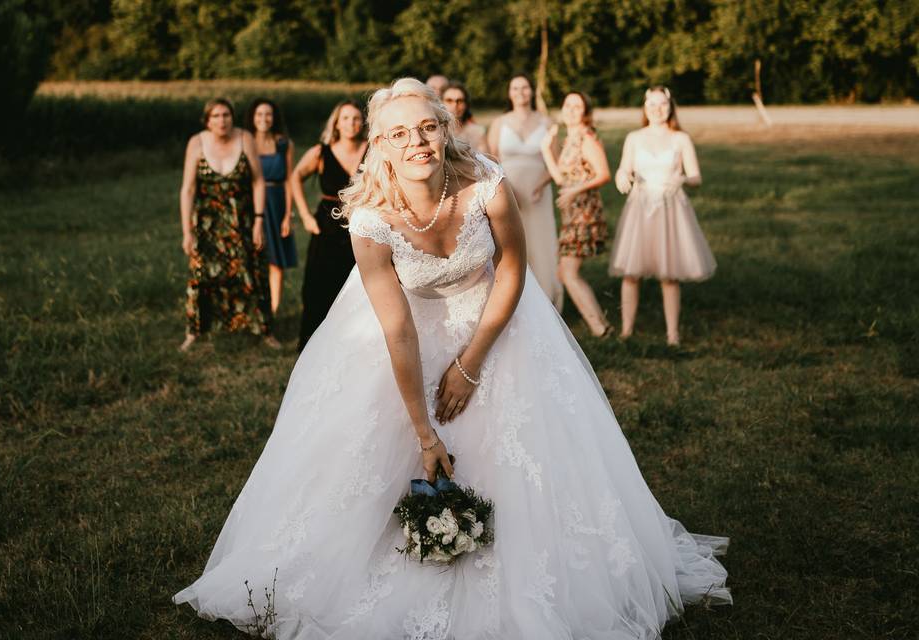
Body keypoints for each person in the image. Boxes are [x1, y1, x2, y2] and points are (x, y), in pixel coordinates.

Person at [174, 78, 730, 639]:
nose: (416, 141)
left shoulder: (485, 181)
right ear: (380, 146)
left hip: (496, 320)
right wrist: (423, 431)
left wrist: (471, 362)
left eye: (427, 127)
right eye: (398, 133)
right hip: (407, 335)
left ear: (445, 129)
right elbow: (398, 331)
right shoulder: (369, 220)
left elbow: (514, 266)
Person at [609, 86, 716, 345]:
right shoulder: (634, 137)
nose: (657, 110)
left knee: (669, 275)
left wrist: (681, 179)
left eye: (662, 105)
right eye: (652, 105)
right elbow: (623, 169)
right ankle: (626, 331)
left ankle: (672, 335)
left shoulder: (680, 139)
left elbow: (696, 176)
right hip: (641, 207)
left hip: (670, 207)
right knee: (631, 272)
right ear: (645, 108)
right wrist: (622, 177)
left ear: (670, 107)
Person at [178, 97, 278, 352]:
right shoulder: (196, 143)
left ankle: (264, 330)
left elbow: (257, 182)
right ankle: (194, 332)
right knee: (201, 274)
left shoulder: (245, 138)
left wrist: (258, 221)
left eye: (226, 115)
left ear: (232, 117)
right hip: (207, 223)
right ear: (207, 120)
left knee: (252, 271)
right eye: (216, 116)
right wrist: (187, 231)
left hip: (242, 218)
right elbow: (188, 190)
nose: (221, 121)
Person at [289, 100, 368, 351]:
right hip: (326, 225)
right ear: (336, 123)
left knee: (360, 285)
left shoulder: (373, 149)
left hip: (363, 224)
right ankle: (315, 343)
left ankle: (357, 341)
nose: (351, 123)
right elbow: (296, 176)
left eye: (356, 118)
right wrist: (305, 215)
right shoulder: (320, 152)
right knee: (319, 284)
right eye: (345, 118)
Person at [540, 91, 614, 337]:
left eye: (577, 106)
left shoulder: (586, 137)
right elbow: (561, 178)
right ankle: (600, 324)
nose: (571, 109)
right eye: (568, 104)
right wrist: (546, 150)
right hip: (572, 213)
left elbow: (603, 173)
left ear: (585, 112)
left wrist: (574, 192)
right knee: (566, 272)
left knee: (567, 272)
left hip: (585, 211)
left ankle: (599, 328)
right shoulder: (569, 138)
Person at [488, 74, 563, 309]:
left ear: (532, 91)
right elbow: (491, 161)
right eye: (515, 88)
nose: (520, 92)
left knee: (540, 243)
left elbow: (556, 163)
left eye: (525, 88)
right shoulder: (499, 123)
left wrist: (540, 186)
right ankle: (512, 298)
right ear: (509, 93)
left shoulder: (547, 123)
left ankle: (546, 299)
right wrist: (507, 189)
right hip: (507, 192)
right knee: (509, 243)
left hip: (537, 193)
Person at [247, 98, 297, 319]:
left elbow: (288, 180)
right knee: (253, 255)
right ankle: (252, 307)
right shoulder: (245, 142)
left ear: (274, 117)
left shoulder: (284, 143)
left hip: (276, 202)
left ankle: (274, 311)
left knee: (276, 260)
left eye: (268, 114)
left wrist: (287, 215)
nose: (263, 119)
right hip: (252, 203)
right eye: (259, 115)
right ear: (253, 118)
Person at [441, 81, 488, 153]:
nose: (455, 106)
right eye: (449, 100)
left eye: (459, 101)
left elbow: (486, 161)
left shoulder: (478, 132)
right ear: (441, 103)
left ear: (466, 104)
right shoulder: (437, 132)